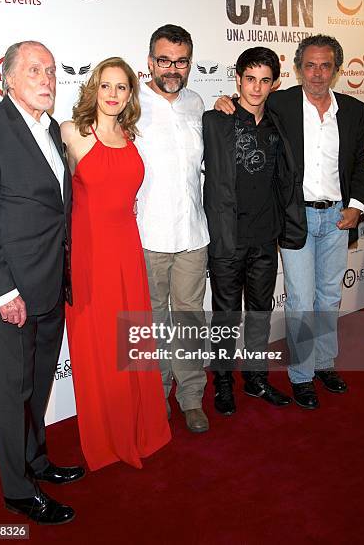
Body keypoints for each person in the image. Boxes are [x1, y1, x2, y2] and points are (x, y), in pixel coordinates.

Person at [0, 41, 84, 525]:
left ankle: (36, 462)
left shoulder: (50, 128)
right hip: (9, 293)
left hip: (50, 285)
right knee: (11, 394)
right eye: (35, 70)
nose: (47, 79)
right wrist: (3, 292)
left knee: (34, 386)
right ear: (8, 79)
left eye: (51, 70)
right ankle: (16, 490)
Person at [215, 34, 364, 409]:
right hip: (295, 217)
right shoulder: (281, 102)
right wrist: (227, 102)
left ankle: (324, 363)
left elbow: (360, 163)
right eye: (310, 65)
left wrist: (358, 205)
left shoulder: (353, 110)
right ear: (298, 69)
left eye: (325, 65)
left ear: (336, 70)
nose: (317, 73)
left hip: (337, 217)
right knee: (300, 297)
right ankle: (301, 374)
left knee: (330, 295)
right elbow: (248, 102)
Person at [61, 57, 171, 471]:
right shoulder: (71, 133)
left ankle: (141, 429)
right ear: (94, 88)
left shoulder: (130, 134)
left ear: (130, 94)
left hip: (128, 249)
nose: (112, 94)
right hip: (91, 254)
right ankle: (107, 438)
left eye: (121, 87)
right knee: (100, 348)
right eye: (105, 86)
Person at [203, 47, 306, 414]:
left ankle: (256, 379)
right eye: (250, 79)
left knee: (259, 313)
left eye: (265, 80)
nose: (256, 88)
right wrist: (222, 102)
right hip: (227, 240)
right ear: (238, 80)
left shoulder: (278, 124)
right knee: (226, 316)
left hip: (265, 238)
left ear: (275, 83)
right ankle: (224, 383)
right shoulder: (215, 121)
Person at [135, 24, 210, 433]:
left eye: (181, 61)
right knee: (153, 321)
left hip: (193, 234)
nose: (172, 68)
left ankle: (191, 397)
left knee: (189, 318)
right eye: (164, 60)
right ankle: (157, 392)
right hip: (147, 234)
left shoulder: (197, 103)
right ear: (150, 61)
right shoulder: (129, 104)